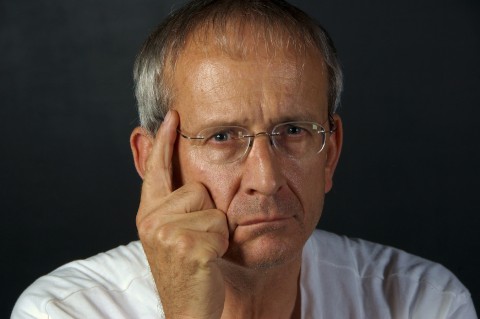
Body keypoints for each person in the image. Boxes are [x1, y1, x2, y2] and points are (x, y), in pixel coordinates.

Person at [12, 0, 477, 318]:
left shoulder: (421, 303)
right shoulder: (64, 310)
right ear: (153, 161)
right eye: (222, 137)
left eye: (293, 131)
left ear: (330, 154)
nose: (267, 179)